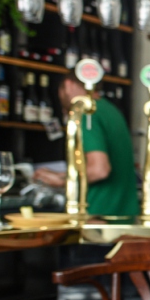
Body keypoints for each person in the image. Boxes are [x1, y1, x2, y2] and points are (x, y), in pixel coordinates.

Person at [33, 76, 138, 216]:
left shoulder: (88, 114)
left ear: (68, 84)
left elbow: (99, 170)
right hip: (123, 212)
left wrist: (60, 180)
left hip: (98, 213)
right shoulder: (110, 110)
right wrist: (59, 174)